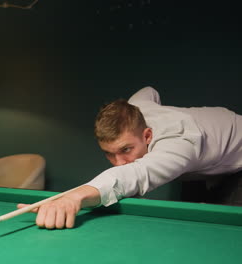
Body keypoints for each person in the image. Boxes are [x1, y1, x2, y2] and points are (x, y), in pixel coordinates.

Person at [17, 86, 242, 229]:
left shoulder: (180, 143)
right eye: (109, 153)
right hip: (204, 162)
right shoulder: (137, 108)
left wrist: (73, 197)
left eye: (126, 150)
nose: (119, 162)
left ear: (148, 135)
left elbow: (134, 174)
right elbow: (149, 90)